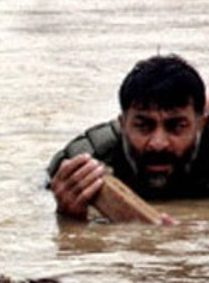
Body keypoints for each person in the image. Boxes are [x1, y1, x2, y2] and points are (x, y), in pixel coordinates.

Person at [47, 53, 208, 220]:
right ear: (122, 125)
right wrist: (68, 218)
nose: (158, 143)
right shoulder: (86, 160)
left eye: (176, 126)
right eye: (143, 126)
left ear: (201, 125)